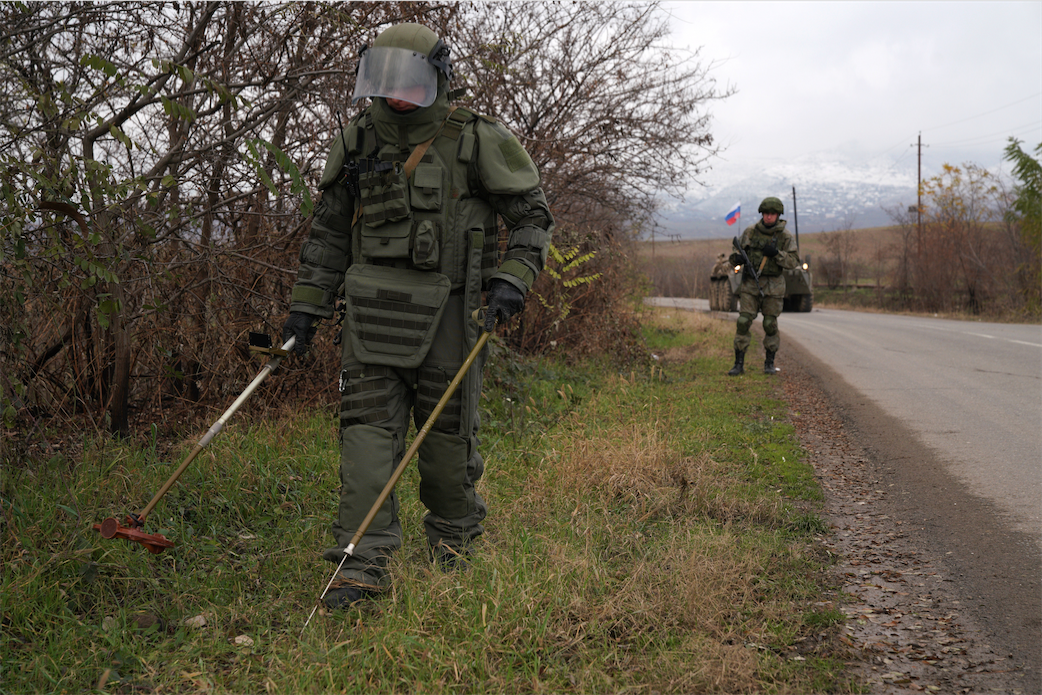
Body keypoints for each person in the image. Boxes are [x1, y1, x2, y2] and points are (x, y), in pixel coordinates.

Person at [281, 23, 555, 608]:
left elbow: (532, 217)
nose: (395, 93)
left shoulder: (475, 139)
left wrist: (512, 278)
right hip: (371, 318)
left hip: (453, 318)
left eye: (408, 79)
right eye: (384, 79)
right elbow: (328, 234)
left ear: (438, 77)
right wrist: (306, 309)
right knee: (366, 441)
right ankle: (359, 567)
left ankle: (454, 547)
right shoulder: (358, 141)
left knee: (446, 445)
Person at [726, 196, 800, 376]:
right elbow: (734, 256)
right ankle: (738, 363)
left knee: (769, 324)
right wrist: (737, 259)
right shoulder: (750, 232)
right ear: (762, 214)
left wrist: (776, 254)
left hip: (773, 285)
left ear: (778, 215)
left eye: (772, 214)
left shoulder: (785, 236)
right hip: (751, 283)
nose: (768, 217)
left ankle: (769, 363)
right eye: (766, 213)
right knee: (743, 321)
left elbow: (793, 261)